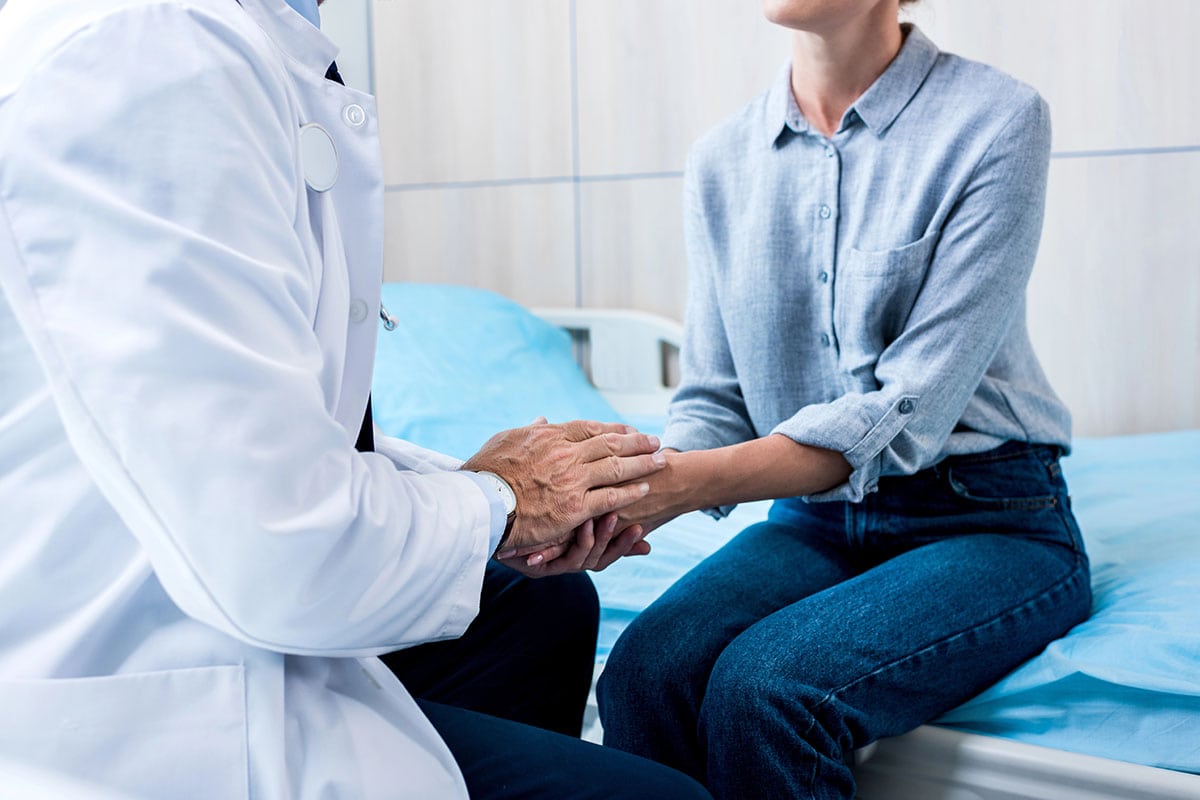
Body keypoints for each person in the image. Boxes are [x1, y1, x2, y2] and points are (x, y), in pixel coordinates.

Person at [0, 0, 711, 797]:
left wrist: (488, 497)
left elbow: (272, 426)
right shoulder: (147, 53)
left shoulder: (240, 46)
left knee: (540, 608)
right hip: (147, 688)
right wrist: (501, 502)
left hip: (213, 563)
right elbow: (273, 543)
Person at [586, 1, 1093, 798]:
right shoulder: (722, 159)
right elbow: (716, 393)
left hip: (989, 516)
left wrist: (692, 485)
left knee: (769, 691)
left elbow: (909, 409)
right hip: (815, 519)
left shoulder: (996, 120)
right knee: (643, 674)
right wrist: (637, 489)